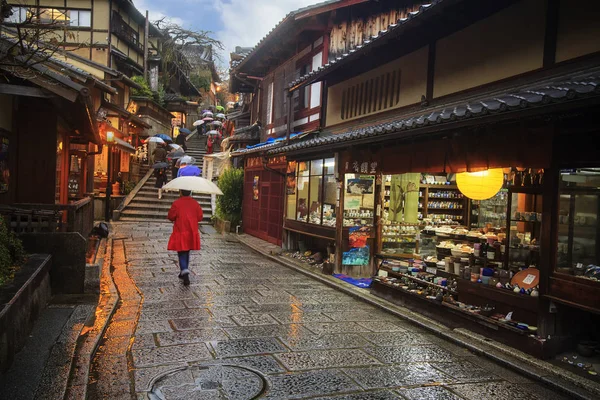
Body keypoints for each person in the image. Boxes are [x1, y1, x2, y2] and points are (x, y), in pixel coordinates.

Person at [167, 190, 203, 285]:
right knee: (186, 251)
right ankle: (183, 270)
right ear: (190, 192)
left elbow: (171, 216)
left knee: (182, 251)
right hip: (191, 230)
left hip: (181, 230)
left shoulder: (176, 203)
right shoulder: (195, 203)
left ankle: (185, 272)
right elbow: (200, 217)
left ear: (181, 192)